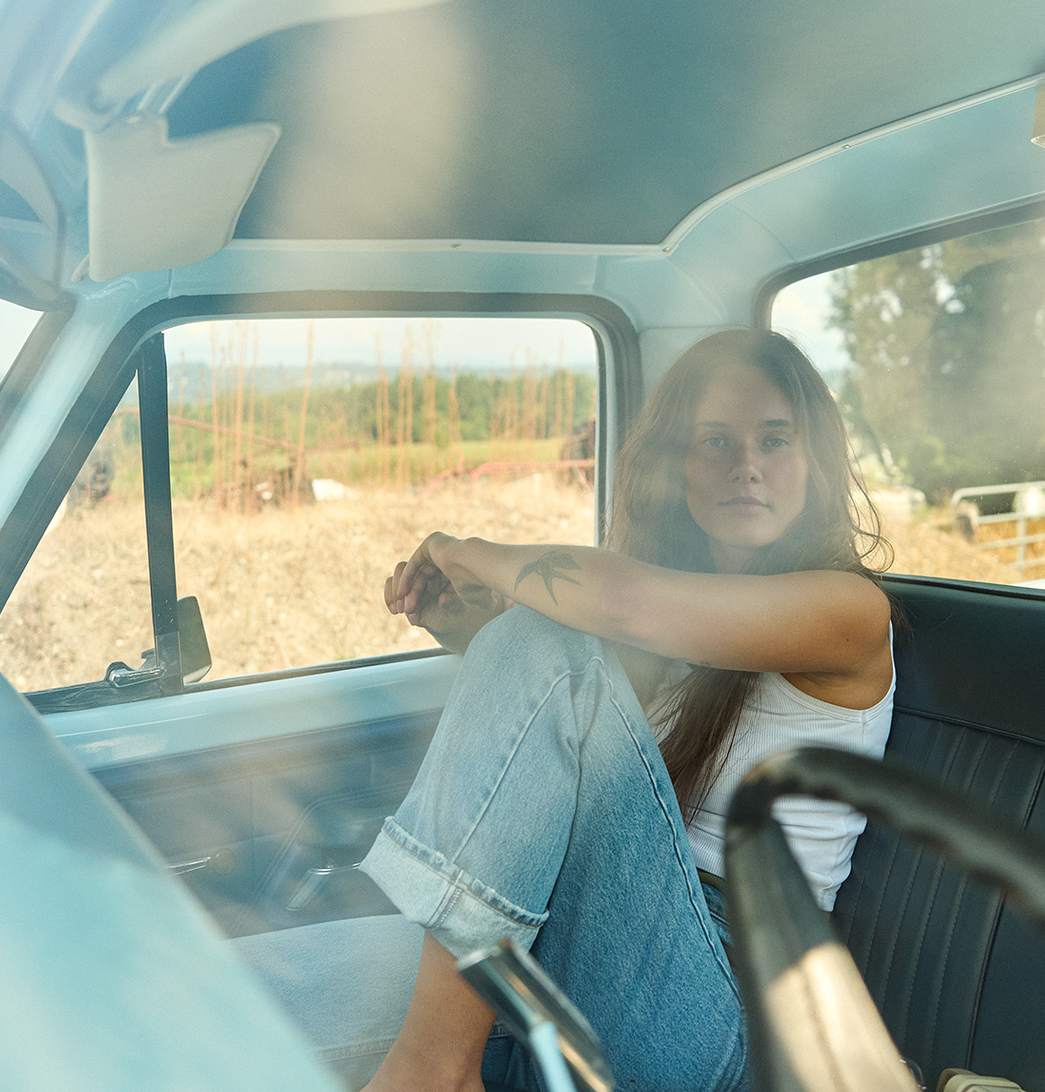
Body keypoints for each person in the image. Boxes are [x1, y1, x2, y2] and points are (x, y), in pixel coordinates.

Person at [242, 329, 897, 1092]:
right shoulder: (676, 620)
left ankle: (432, 1073)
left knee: (540, 630)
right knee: (244, 990)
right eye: (713, 440)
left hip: (724, 1011)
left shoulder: (849, 610)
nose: (745, 464)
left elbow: (619, 601)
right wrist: (467, 633)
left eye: (774, 439)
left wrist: (472, 551)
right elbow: (559, 736)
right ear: (676, 465)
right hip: (573, 947)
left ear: (815, 462)